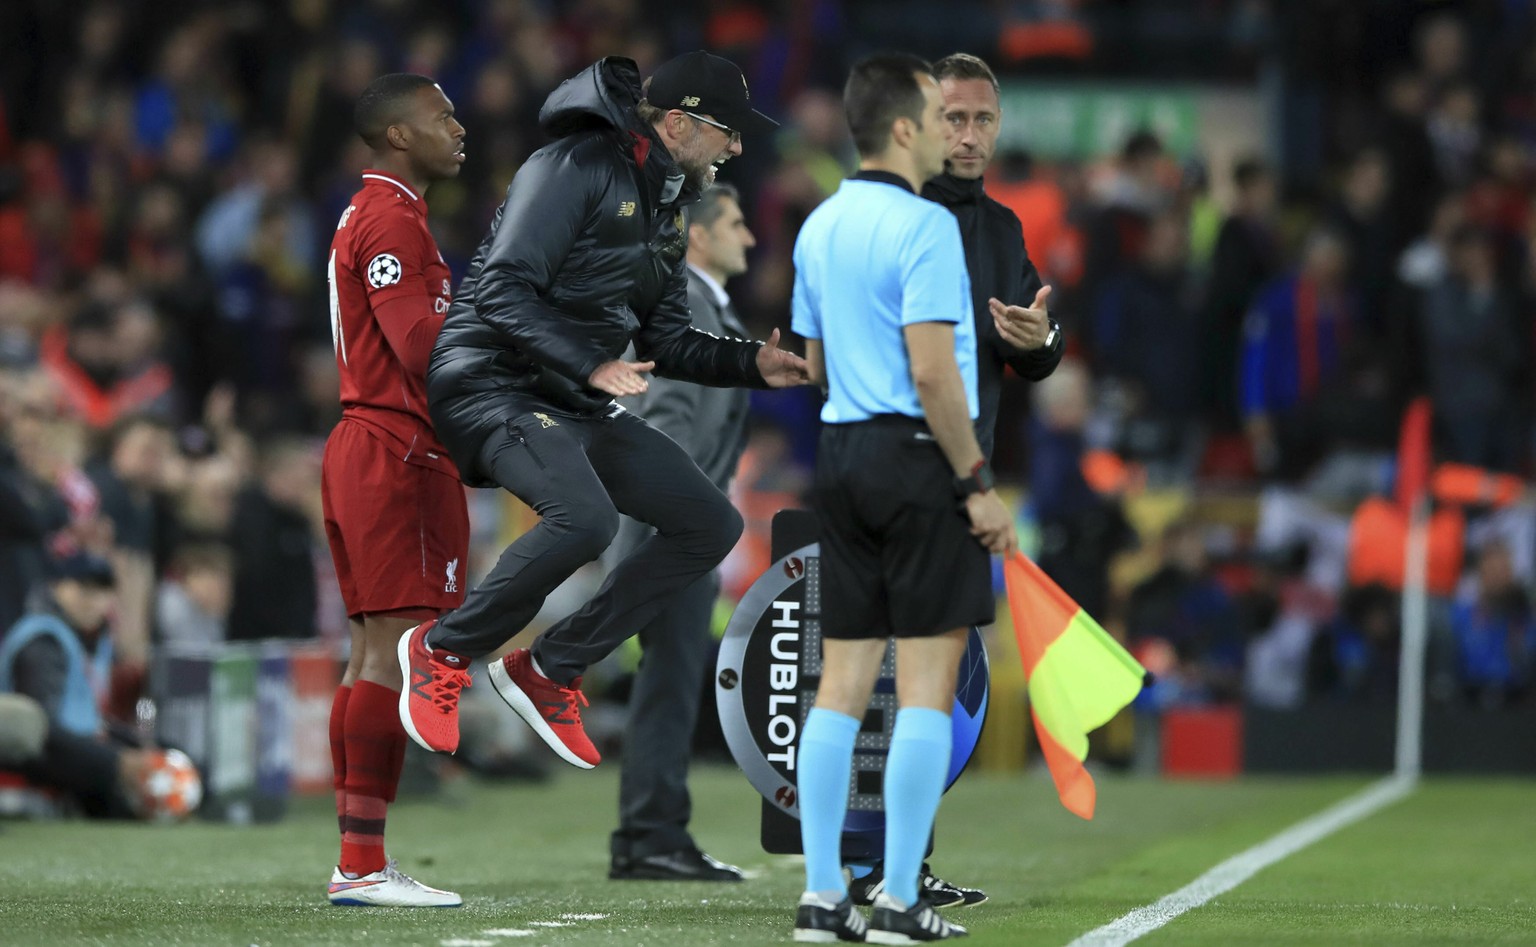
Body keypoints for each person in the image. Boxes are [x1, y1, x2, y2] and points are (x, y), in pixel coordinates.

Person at [397, 52, 808, 769]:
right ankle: (441, 650)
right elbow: (500, 290)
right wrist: (589, 362)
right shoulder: (572, 165)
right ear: (677, 123)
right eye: (727, 130)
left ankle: (549, 666)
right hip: (490, 381)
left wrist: (751, 363)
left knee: (709, 521)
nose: (739, 147)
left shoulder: (669, 200)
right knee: (586, 518)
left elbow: (667, 340)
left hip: (572, 394)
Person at [789, 52, 1017, 943]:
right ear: (902, 129)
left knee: (840, 684)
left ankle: (818, 895)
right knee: (923, 688)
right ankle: (895, 898)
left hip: (840, 450)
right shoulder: (924, 229)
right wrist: (975, 484)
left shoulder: (819, 224)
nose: (947, 129)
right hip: (920, 459)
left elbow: (811, 365)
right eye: (934, 113)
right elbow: (932, 369)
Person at [834, 50, 1065, 914]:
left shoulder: (1001, 229)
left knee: (932, 682)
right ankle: (868, 872)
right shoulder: (896, 210)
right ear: (923, 119)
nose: (969, 135)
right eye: (956, 118)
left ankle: (888, 867)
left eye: (983, 121)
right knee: (895, 683)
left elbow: (1029, 344)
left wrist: (1038, 341)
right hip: (910, 471)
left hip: (954, 472)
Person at [320, 73, 468, 908]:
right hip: (395, 449)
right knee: (396, 655)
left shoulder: (379, 212)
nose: (459, 129)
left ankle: (360, 860)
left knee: (370, 655)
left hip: (365, 445)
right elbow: (417, 346)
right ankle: (363, 866)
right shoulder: (388, 216)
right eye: (442, 117)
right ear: (400, 135)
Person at [606, 183, 754, 883]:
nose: (748, 236)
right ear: (697, 236)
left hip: (684, 520)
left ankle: (653, 831)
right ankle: (650, 834)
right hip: (678, 525)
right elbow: (666, 422)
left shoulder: (708, 305)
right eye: (734, 223)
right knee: (669, 679)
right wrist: (688, 516)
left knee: (670, 678)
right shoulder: (689, 305)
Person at [0, 552, 153, 818]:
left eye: (103, 592)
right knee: (127, 791)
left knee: (168, 754)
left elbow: (100, 717)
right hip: (40, 756)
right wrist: (114, 762)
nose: (94, 601)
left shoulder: (95, 641)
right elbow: (39, 729)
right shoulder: (42, 640)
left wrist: (141, 742)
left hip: (76, 746)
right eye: (83, 589)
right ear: (56, 586)